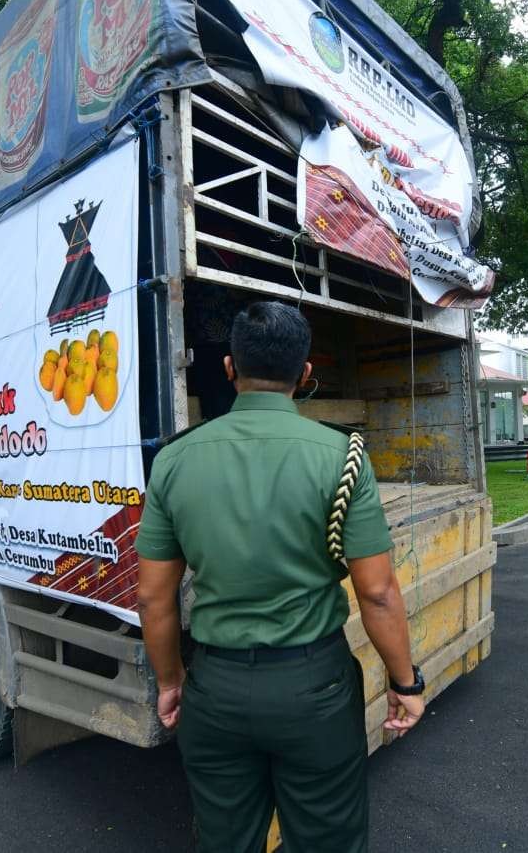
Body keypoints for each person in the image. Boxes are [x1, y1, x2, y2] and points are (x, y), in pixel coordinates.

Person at [133, 301, 425, 852]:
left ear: (228, 369)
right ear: (306, 375)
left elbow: (153, 599)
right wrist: (405, 683)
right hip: (314, 689)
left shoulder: (174, 460)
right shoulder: (343, 457)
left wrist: (172, 683)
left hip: (213, 690)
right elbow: (378, 592)